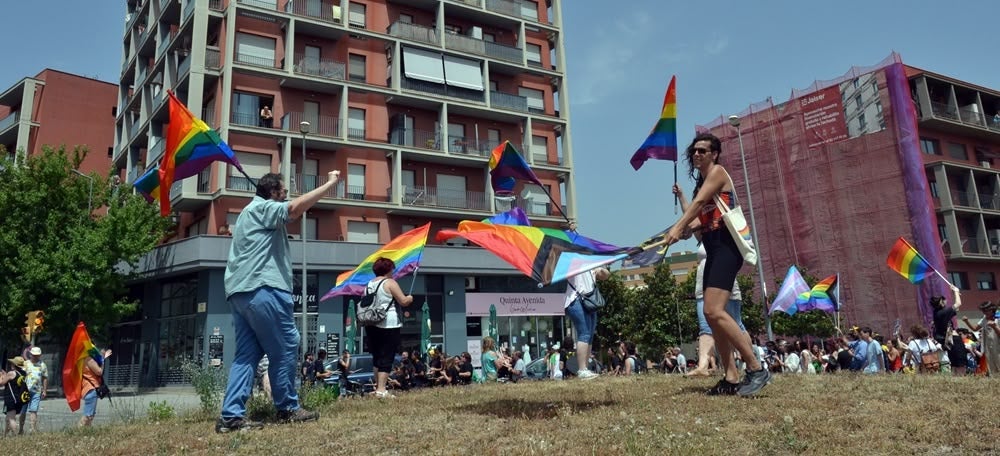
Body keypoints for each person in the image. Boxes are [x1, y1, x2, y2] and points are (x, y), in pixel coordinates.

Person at [217, 170, 340, 433]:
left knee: (246, 356)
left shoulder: (248, 213)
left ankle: (231, 416)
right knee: (286, 345)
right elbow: (294, 210)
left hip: (240, 292)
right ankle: (287, 408)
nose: (286, 196)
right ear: (273, 193)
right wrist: (330, 183)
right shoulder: (264, 209)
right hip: (264, 288)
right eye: (283, 192)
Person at [663, 133, 770, 396]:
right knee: (712, 316)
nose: (696, 155)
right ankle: (731, 377)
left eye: (702, 151)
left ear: (714, 154)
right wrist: (687, 230)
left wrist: (678, 226)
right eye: (694, 151)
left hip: (726, 248)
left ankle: (756, 368)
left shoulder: (718, 173)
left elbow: (699, 203)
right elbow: (705, 215)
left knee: (714, 311)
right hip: (713, 248)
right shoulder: (703, 180)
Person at [563, 231, 610, 381]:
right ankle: (582, 369)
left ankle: (586, 367)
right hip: (575, 300)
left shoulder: (591, 261)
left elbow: (605, 275)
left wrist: (600, 269)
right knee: (584, 333)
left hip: (589, 301)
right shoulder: (571, 260)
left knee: (589, 335)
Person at [365, 257, 414, 398]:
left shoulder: (369, 284)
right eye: (392, 268)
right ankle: (382, 390)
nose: (393, 271)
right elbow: (403, 301)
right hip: (388, 324)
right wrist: (410, 298)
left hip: (371, 323)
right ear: (388, 269)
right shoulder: (390, 282)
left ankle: (378, 387)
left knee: (377, 356)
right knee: (387, 356)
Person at [963, 300, 1000, 376]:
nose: (984, 313)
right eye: (983, 311)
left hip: (998, 347)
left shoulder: (998, 318)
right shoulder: (984, 319)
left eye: (986, 311)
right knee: (992, 369)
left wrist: (995, 327)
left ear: (992, 309)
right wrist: (967, 321)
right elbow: (975, 329)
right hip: (989, 347)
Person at [79, 349, 111, 427]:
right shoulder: (89, 359)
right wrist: (103, 360)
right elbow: (99, 371)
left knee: (90, 415)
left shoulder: (83, 358)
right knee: (88, 415)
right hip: (91, 389)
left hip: (88, 388)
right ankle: (79, 431)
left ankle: (85, 433)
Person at [21, 346, 47, 434]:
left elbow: (45, 378)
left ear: (40, 355)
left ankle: (33, 429)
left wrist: (44, 390)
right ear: (31, 354)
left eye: (37, 355)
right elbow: (21, 376)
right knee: (23, 410)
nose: (36, 357)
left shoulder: (42, 365)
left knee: (34, 410)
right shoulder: (26, 364)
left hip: (37, 391)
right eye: (34, 355)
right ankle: (21, 429)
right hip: (25, 390)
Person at [1, 357, 29, 436]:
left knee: (11, 418)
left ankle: (16, 436)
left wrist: (2, 376)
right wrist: (5, 375)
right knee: (8, 418)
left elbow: (1, 383)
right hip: (18, 398)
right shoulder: (23, 373)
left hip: (11, 398)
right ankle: (5, 435)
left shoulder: (11, 373)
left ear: (14, 365)